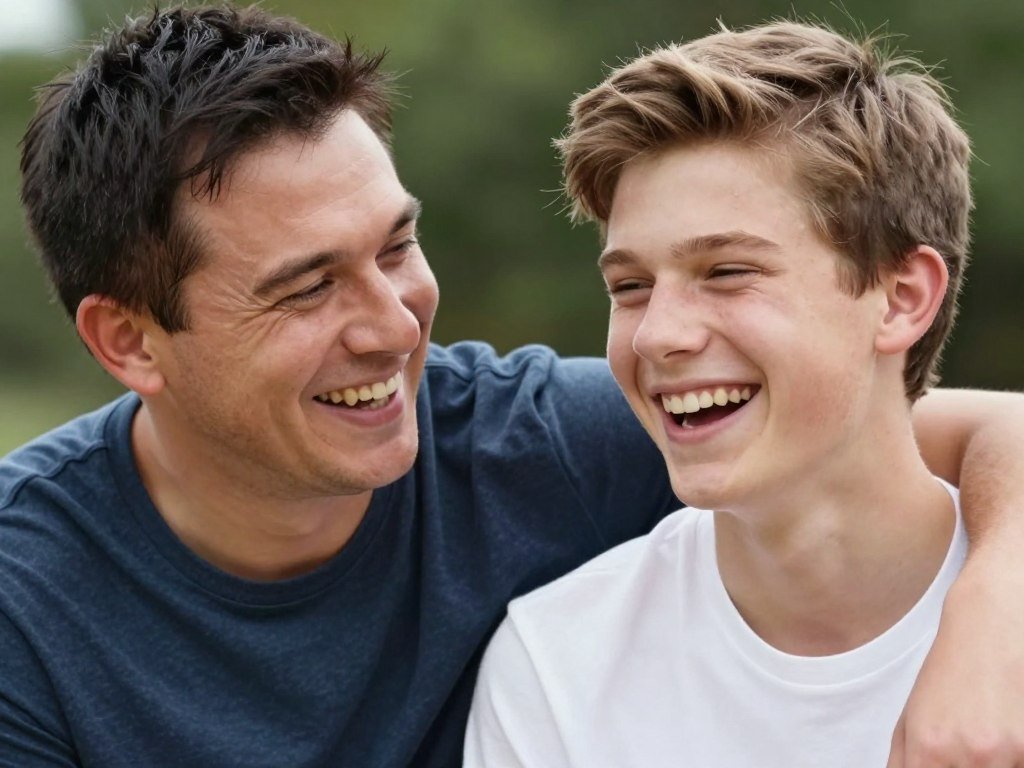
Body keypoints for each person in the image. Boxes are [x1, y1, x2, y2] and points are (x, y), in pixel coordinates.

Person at [0, 6, 1022, 767]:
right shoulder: (24, 602)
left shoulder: (541, 441)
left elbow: (893, 421)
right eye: (307, 288)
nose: (395, 327)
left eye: (395, 247)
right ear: (129, 342)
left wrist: (992, 613)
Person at [465, 20, 1016, 768]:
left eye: (727, 272)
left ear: (901, 298)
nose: (657, 335)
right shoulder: (555, 668)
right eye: (630, 286)